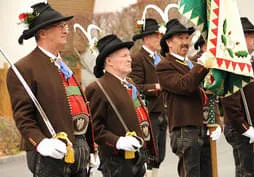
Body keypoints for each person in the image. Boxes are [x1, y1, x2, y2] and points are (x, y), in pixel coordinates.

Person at [6, 2, 97, 177]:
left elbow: (78, 106)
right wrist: (41, 142)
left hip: (77, 150)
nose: (66, 30)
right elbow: (23, 117)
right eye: (59, 26)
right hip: (49, 155)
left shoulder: (63, 65)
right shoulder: (23, 68)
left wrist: (90, 148)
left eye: (65, 26)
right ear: (42, 32)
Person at [85, 34, 157, 177]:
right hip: (116, 162)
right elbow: (95, 128)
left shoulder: (130, 84)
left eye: (128, 55)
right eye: (124, 56)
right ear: (109, 61)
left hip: (137, 157)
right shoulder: (97, 88)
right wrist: (117, 141)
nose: (129, 59)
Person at [156, 18, 213, 177]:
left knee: (207, 173)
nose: (185, 42)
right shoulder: (164, 66)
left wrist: (215, 121)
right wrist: (201, 64)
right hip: (184, 129)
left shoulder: (191, 64)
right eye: (180, 38)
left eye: (187, 38)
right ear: (169, 42)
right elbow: (185, 86)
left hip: (201, 126)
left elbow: (207, 93)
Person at [129, 18, 167, 177]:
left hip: (163, 111)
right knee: (150, 153)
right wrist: (155, 87)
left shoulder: (160, 58)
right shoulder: (138, 58)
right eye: (156, 36)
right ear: (146, 38)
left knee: (160, 154)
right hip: (150, 112)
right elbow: (135, 86)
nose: (159, 39)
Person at [221, 17, 254, 177]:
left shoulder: (251, 62)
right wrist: (245, 128)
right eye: (250, 35)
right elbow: (230, 100)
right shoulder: (232, 64)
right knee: (246, 172)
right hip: (240, 127)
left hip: (251, 125)